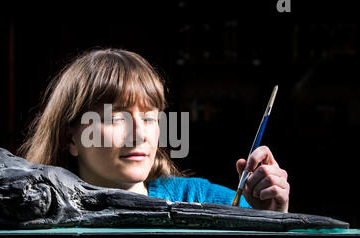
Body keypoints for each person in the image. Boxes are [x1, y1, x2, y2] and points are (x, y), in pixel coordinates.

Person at [18, 48, 290, 213]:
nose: (139, 134)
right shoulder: (36, 208)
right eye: (116, 119)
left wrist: (273, 218)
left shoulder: (201, 198)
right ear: (70, 138)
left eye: (149, 118)